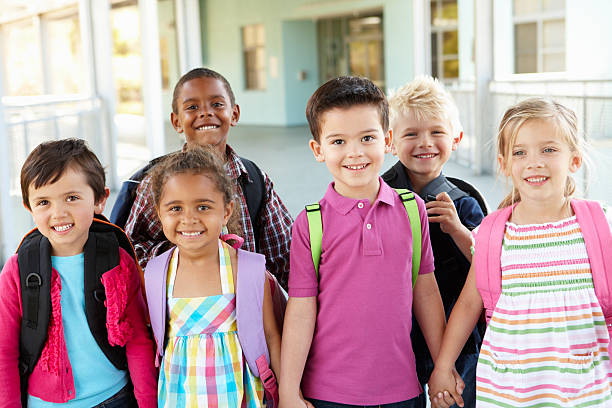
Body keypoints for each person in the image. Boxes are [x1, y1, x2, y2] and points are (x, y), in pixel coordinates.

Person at [428, 98, 612, 408]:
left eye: (549, 150)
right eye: (519, 152)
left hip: (587, 388)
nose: (534, 162)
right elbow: (469, 304)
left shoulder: (600, 225)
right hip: (509, 390)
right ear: (504, 164)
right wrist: (443, 367)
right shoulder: (492, 233)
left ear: (575, 160)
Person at [279, 76, 447, 407]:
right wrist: (288, 391)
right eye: (338, 141)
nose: (354, 153)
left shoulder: (412, 211)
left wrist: (443, 366)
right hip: (327, 394)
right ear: (318, 149)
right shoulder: (311, 224)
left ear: (386, 141)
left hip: (404, 390)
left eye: (367, 138)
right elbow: (300, 311)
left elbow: (426, 292)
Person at [0, 139, 157, 407]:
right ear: (29, 208)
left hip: (115, 397)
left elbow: (137, 341)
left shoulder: (117, 260)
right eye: (44, 202)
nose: (58, 213)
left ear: (99, 200)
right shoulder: (17, 270)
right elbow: (4, 352)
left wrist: (148, 402)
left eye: (72, 198)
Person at [122, 68, 293, 288]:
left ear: (234, 114)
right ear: (176, 121)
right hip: (180, 312)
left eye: (217, 104)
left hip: (247, 311)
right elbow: (132, 251)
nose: (205, 113)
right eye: (192, 107)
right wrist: (187, 252)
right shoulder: (158, 181)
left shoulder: (254, 179)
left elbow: (284, 259)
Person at [143, 146, 281, 406]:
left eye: (203, 207)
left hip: (240, 397)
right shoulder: (155, 275)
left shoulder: (248, 271)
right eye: (175, 208)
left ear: (226, 211)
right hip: (179, 398)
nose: (189, 219)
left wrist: (286, 395)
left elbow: (272, 337)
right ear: (159, 213)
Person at [382, 75, 485, 408]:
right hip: (398, 336)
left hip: (459, 337)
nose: (424, 143)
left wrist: (457, 229)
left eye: (436, 132)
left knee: (456, 400)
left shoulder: (465, 200)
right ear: (390, 141)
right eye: (411, 134)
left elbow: (487, 264)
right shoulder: (378, 195)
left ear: (456, 139)